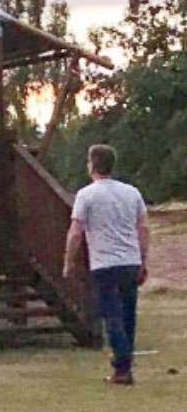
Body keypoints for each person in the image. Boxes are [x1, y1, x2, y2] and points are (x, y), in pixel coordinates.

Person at [63, 144, 149, 386]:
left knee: (111, 315)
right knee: (128, 316)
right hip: (130, 260)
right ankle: (124, 366)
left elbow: (76, 231)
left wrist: (68, 261)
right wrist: (143, 259)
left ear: (92, 165)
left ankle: (122, 364)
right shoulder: (131, 193)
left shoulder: (86, 195)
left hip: (104, 264)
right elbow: (143, 228)